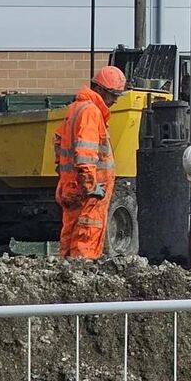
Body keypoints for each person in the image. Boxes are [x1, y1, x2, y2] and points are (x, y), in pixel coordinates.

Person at [53, 65, 126, 259]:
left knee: (71, 233)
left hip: (73, 186)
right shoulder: (91, 112)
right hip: (89, 191)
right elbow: (85, 153)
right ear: (100, 90)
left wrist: (65, 176)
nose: (115, 101)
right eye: (113, 95)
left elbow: (59, 142)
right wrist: (90, 185)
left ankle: (69, 273)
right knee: (87, 233)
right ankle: (82, 274)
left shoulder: (76, 108)